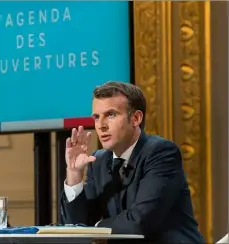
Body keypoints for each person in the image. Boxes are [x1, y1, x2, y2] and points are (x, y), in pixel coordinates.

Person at [60, 81, 205, 243]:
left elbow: (140, 221)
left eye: (111, 114)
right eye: (96, 117)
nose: (101, 126)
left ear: (136, 118)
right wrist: (74, 175)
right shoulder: (99, 161)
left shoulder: (161, 153)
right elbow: (75, 227)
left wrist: (96, 229)